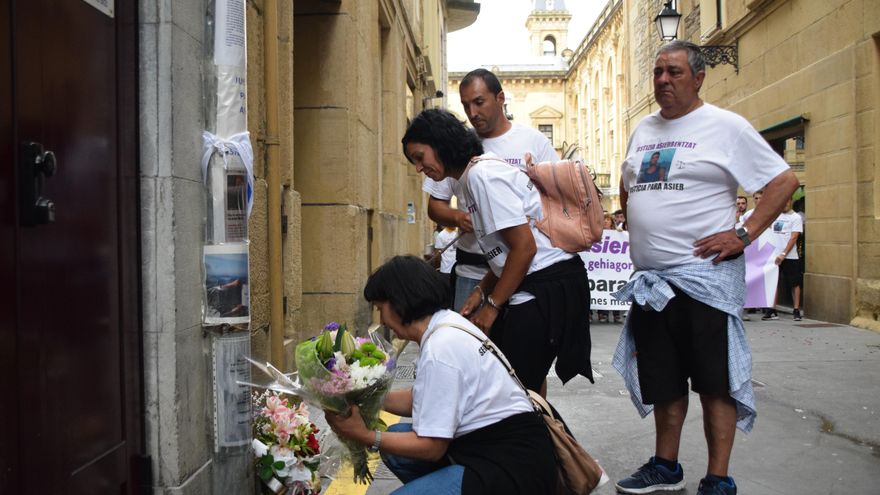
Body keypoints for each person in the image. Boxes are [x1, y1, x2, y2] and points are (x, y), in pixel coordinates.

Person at [612, 40, 799, 495]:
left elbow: (783, 181)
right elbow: (627, 187)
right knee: (665, 381)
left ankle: (718, 477)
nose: (662, 80)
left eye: (674, 72)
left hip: (705, 280)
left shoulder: (725, 127)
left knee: (715, 383)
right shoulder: (642, 130)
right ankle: (665, 466)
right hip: (655, 284)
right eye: (657, 72)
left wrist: (744, 233)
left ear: (698, 78)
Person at [323, 255, 558, 494]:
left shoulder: (441, 349)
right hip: (497, 448)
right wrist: (365, 395)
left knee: (398, 453)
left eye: (381, 309)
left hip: (511, 469)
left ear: (398, 302)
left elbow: (431, 447)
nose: (383, 320)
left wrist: (363, 434)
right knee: (396, 442)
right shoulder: (446, 324)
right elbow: (428, 397)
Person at [402, 108, 593, 394]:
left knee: (514, 391)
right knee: (514, 387)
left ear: (440, 143)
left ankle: (549, 438)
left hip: (548, 284)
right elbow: (502, 251)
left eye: (420, 157)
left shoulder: (482, 176)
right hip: (537, 283)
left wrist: (492, 307)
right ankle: (541, 436)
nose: (419, 168)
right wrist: (482, 290)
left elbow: (525, 248)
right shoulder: (473, 176)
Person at [423, 68, 558, 312]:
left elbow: (555, 200)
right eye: (465, 106)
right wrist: (459, 217)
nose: (472, 113)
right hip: (472, 271)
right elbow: (435, 205)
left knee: (519, 347)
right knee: (469, 347)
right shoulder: (456, 146)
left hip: (528, 268)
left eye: (479, 102)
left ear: (500, 98)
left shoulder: (535, 141)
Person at [767, 197, 803, 321]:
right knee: (773, 283)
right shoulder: (775, 216)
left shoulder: (796, 218)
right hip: (774, 256)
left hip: (790, 256)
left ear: (791, 201)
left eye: (787, 201)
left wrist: (783, 254)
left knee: (794, 283)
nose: (785, 204)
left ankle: (796, 309)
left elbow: (794, 238)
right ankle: (772, 309)